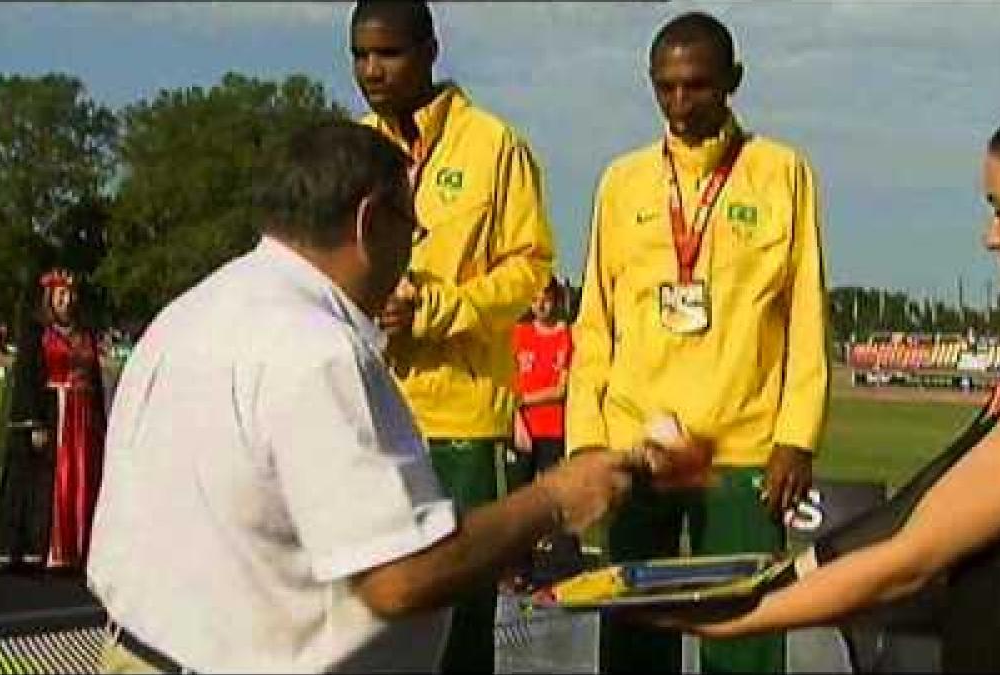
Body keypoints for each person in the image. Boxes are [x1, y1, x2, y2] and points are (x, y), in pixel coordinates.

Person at [85, 120, 703, 673]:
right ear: (369, 221)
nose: (410, 257)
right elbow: (401, 580)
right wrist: (554, 499)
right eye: (412, 227)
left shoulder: (190, 312)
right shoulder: (317, 351)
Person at [633, 93, 1000, 673]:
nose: (992, 237)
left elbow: (911, 557)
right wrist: (774, 578)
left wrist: (722, 616)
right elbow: (917, 511)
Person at [567, 12, 830, 674]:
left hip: (741, 450)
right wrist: (587, 446)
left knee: (744, 638)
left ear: (733, 81)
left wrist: (797, 434)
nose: (680, 105)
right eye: (666, 87)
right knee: (633, 640)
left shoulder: (781, 172)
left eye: (698, 86)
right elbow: (594, 320)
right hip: (639, 449)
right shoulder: (622, 181)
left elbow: (804, 313)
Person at [350, 2, 556, 671]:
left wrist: (436, 308)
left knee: (460, 618)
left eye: (388, 54)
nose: (371, 71)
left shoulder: (494, 145)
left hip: (461, 419)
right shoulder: (352, 147)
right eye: (360, 55)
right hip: (364, 408)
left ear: (430, 51)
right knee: (365, 608)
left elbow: (530, 269)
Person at [0, 269, 107, 572]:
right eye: (61, 295)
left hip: (83, 419)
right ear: (50, 299)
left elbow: (94, 378)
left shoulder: (84, 335)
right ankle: (49, 548)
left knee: (83, 478)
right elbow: (28, 380)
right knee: (53, 480)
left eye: (70, 295)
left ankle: (79, 547)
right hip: (56, 412)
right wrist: (35, 421)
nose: (68, 300)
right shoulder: (40, 335)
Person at [507, 276, 583, 588]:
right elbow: (506, 378)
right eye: (535, 298)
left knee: (557, 496)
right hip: (523, 429)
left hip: (553, 427)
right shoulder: (518, 335)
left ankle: (564, 566)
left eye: (546, 298)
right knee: (519, 500)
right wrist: (515, 414)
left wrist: (525, 399)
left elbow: (562, 388)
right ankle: (518, 568)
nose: (540, 304)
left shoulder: (567, 336)